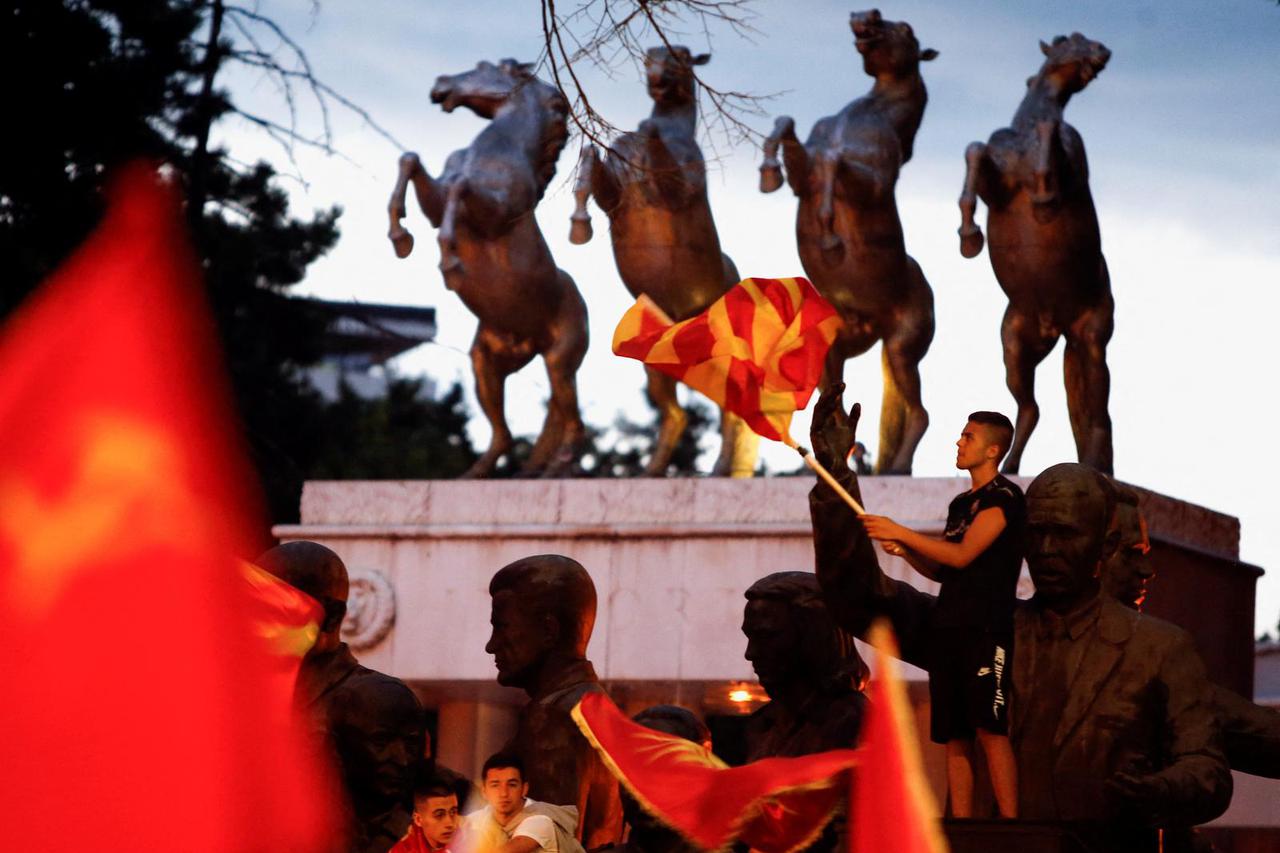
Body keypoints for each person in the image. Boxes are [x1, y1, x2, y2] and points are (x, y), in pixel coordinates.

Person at [808, 384, 1231, 850]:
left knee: (989, 733)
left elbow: (1209, 763)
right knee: (956, 739)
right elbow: (857, 596)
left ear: (1102, 547)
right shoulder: (975, 606)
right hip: (981, 843)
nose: (1045, 550)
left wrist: (1160, 789)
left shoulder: (1159, 651)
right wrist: (836, 476)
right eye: (1039, 534)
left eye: (1065, 534)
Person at [859, 411, 1023, 819]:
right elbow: (943, 569)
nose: (958, 442)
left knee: (990, 727)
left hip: (985, 627)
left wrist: (902, 531)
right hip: (947, 627)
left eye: (968, 437)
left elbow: (964, 554)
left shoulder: (1004, 498)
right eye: (960, 436)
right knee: (955, 734)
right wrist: (907, 551)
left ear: (992, 449)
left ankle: (1012, 824)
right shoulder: (960, 504)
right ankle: (961, 824)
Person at [257, 541, 426, 853]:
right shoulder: (251, 702)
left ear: (331, 617)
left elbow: (395, 819)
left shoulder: (376, 699)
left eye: (274, 609)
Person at [1102, 484, 1280, 780]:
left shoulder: (1153, 651)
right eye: (1131, 554)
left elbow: (1250, 730)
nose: (1147, 570)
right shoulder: (1142, 660)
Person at [486, 555, 623, 851]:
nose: (491, 644)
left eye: (502, 627)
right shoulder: (596, 705)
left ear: (549, 631)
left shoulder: (554, 716)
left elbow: (547, 840)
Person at [742, 571, 867, 761]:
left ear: (815, 637)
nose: (750, 653)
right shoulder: (761, 725)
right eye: (750, 637)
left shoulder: (859, 722)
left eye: (767, 636)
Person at [464, 751, 585, 853]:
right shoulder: (478, 818)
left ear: (524, 789)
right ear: (484, 791)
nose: (503, 793)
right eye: (495, 785)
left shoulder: (540, 818)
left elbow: (511, 849)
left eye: (512, 785)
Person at [391, 775, 462, 853]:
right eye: (439, 815)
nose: (450, 823)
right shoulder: (402, 851)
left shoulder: (467, 833)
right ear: (418, 820)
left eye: (453, 812)